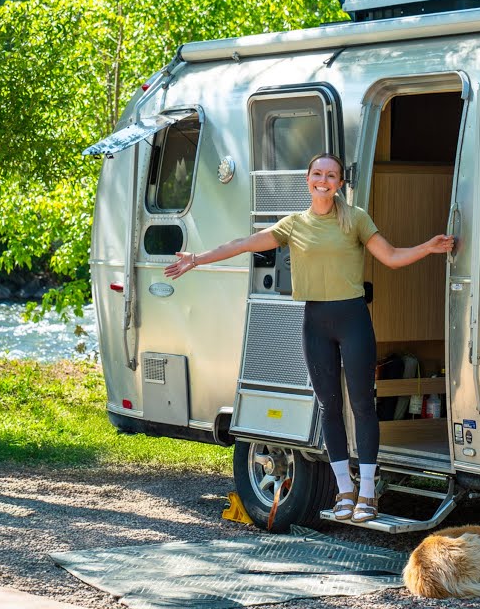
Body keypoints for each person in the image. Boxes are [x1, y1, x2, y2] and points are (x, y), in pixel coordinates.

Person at [164, 152, 454, 523]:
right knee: (328, 407)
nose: (323, 180)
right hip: (315, 321)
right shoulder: (293, 224)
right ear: (308, 179)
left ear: (340, 183)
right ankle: (344, 491)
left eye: (331, 175)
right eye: (318, 174)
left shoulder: (355, 219)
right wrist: (196, 259)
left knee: (362, 405)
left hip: (353, 318)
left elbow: (392, 256)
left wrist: (428, 248)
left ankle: (367, 493)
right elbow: (243, 243)